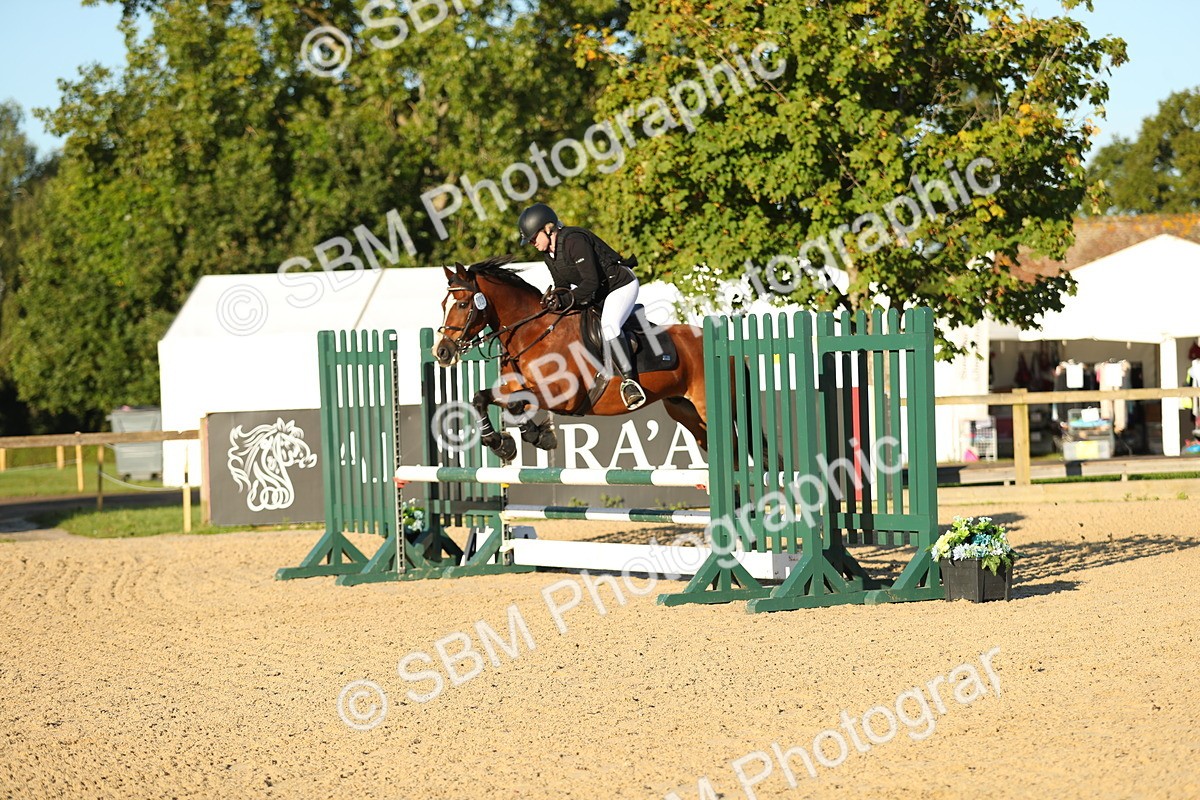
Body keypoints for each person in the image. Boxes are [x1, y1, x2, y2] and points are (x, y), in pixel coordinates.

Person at [517, 202, 646, 410]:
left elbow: (591, 283)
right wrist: (552, 301)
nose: (531, 242)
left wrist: (565, 300)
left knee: (609, 325)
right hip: (598, 293)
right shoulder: (549, 254)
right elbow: (562, 285)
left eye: (533, 237)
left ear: (547, 229)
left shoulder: (574, 241)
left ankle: (630, 383)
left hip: (620, 285)